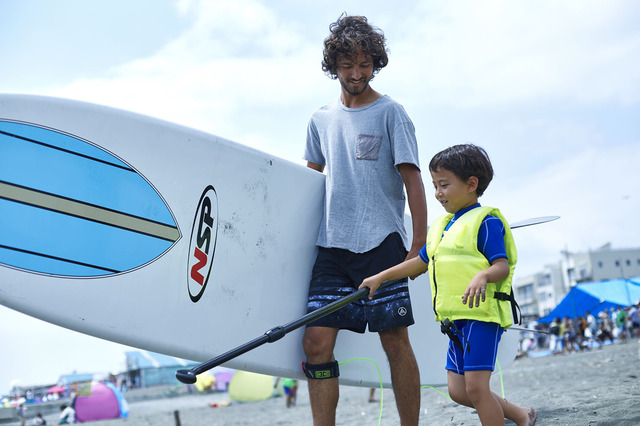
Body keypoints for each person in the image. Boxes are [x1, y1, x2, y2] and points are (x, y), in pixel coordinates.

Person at [301, 14, 427, 426]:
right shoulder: (320, 119)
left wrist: (417, 248)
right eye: (347, 65)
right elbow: (309, 181)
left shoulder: (392, 113)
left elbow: (413, 180)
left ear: (375, 62)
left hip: (383, 243)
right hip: (333, 246)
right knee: (316, 343)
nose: (356, 74)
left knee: (395, 341)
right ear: (333, 66)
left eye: (364, 64)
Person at [359, 144, 536, 425]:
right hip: (455, 322)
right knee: (458, 391)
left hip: (481, 318)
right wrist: (382, 276)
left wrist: (482, 276)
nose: (438, 193)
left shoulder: (486, 222)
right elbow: (420, 262)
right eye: (434, 186)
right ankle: (520, 414)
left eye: (444, 185)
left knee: (476, 388)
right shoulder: (442, 226)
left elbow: (500, 266)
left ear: (471, 184)